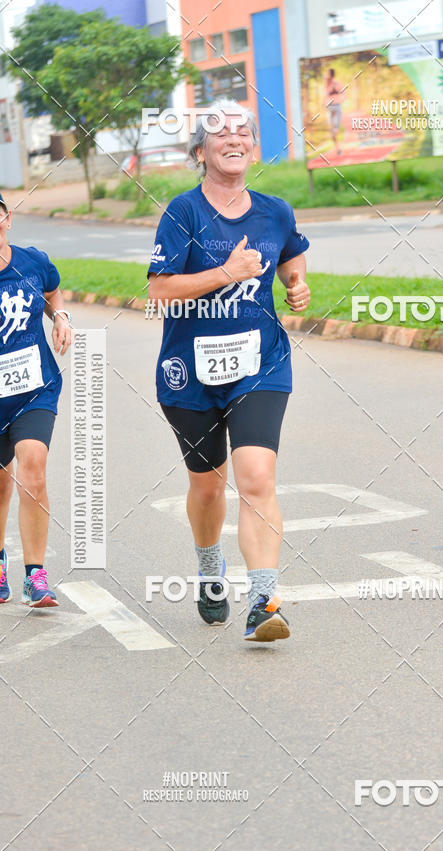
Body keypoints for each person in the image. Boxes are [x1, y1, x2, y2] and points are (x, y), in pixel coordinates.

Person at [148, 99, 310, 643]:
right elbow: (160, 290)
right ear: (201, 152)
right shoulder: (182, 212)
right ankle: (209, 564)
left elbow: (290, 252)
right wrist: (227, 271)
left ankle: (264, 601)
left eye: (243, 131)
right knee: (208, 486)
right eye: (220, 133)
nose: (234, 138)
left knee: (257, 478)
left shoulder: (275, 211)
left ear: (253, 148)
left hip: (260, 363)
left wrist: (294, 283)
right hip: (188, 373)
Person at [0, 192, 72, 607]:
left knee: (33, 469)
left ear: (7, 219)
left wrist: (60, 316)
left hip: (34, 387)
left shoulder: (32, 262)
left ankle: (35, 575)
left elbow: (52, 289)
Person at [323, 68, 345, 156]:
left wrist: (340, 100)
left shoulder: (335, 84)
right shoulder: (327, 84)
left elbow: (343, 93)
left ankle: (337, 148)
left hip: (334, 106)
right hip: (331, 107)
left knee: (334, 129)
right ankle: (337, 148)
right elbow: (324, 96)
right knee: (333, 129)